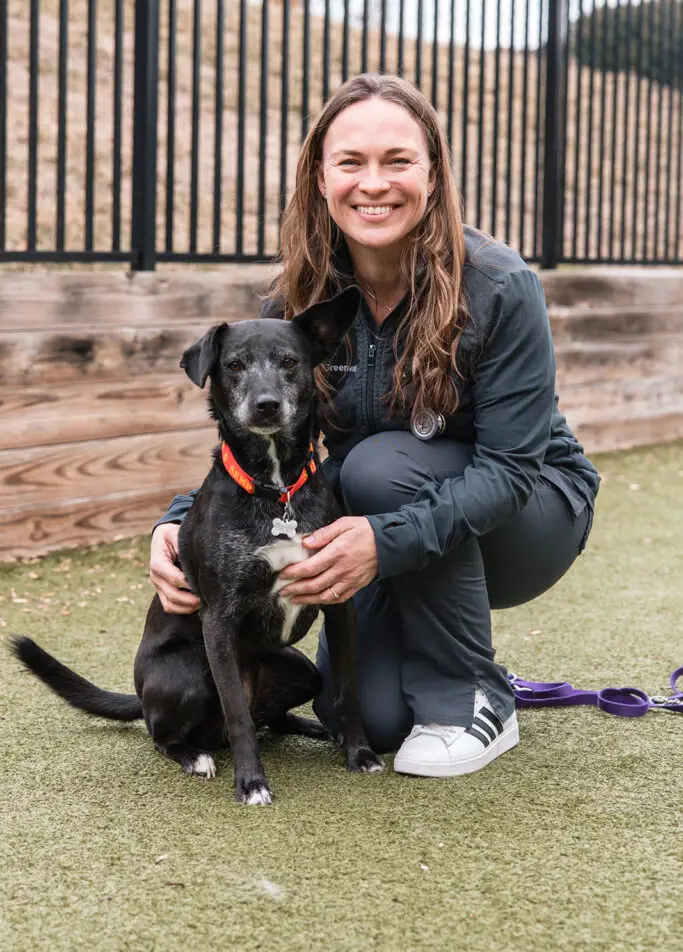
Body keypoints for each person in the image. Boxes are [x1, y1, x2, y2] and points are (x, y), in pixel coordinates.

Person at [150, 73, 599, 778]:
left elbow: (511, 468)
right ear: (320, 178)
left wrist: (381, 543)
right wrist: (172, 527)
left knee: (376, 468)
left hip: (529, 514)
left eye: (397, 160)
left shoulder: (501, 286)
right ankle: (444, 665)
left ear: (432, 173)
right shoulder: (296, 302)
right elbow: (260, 445)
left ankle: (473, 697)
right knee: (362, 718)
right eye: (350, 162)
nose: (374, 184)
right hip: (395, 522)